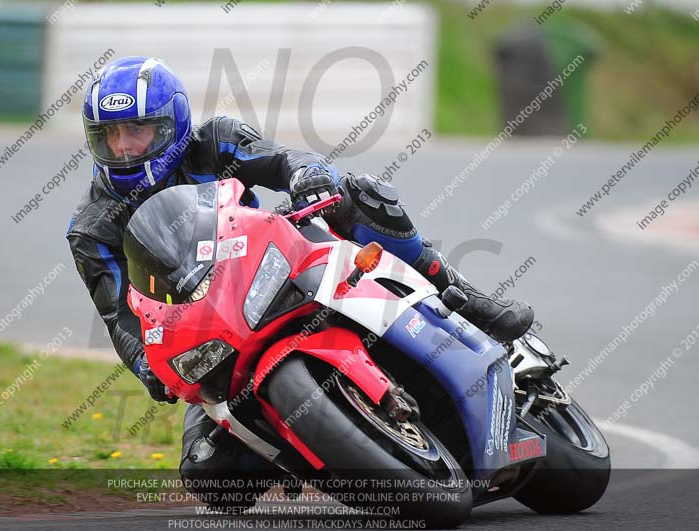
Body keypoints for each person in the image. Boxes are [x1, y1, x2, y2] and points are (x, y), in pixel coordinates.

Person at [67, 56, 533, 507]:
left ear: (173, 125)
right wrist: (149, 368)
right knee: (207, 475)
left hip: (272, 266)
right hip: (210, 334)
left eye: (137, 129)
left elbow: (284, 160)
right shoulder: (92, 227)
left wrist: (310, 175)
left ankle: (466, 298)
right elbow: (120, 317)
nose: (124, 146)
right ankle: (321, 453)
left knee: (359, 195)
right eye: (110, 135)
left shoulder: (215, 141)